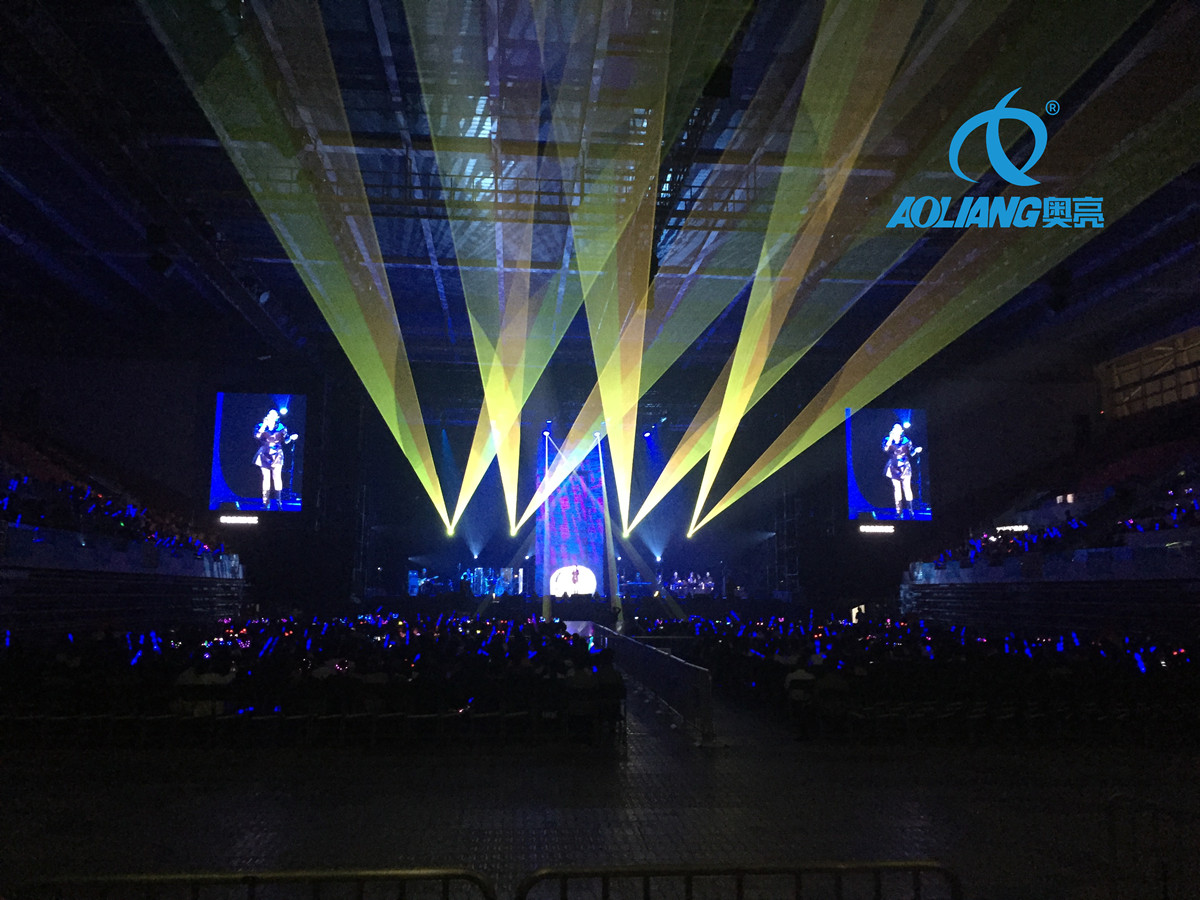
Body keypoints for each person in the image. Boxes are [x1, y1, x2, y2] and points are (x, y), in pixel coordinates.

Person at [254, 409, 297, 509]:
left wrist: (291, 438)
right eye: (270, 414)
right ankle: (265, 502)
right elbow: (257, 436)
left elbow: (285, 441)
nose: (271, 415)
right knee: (266, 478)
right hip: (264, 453)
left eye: (274, 414)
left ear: (277, 417)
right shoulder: (260, 426)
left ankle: (278, 502)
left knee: (277, 477)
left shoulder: (281, 427)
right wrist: (264, 425)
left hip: (277, 454)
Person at [882, 423, 921, 518]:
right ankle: (899, 511)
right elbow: (885, 449)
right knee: (897, 489)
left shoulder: (906, 440)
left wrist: (916, 450)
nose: (895, 430)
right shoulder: (887, 439)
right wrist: (890, 439)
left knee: (907, 488)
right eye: (894, 429)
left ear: (901, 431)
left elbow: (911, 453)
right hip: (893, 466)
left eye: (897, 429)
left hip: (905, 467)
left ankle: (911, 512)